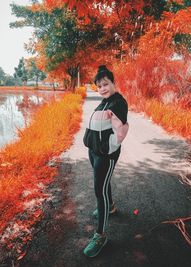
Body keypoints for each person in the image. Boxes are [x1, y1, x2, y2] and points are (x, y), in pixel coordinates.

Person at [83, 65, 129, 257]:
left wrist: (108, 149)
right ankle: (110, 206)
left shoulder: (118, 102)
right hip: (95, 151)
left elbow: (121, 131)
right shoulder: (104, 101)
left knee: (98, 190)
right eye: (99, 85)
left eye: (106, 84)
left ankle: (100, 236)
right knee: (103, 184)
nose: (102, 88)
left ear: (113, 83)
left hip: (105, 154)